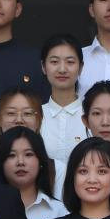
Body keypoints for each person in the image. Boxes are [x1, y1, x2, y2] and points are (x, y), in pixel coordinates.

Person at [0, 126, 64, 219]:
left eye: (28, 154)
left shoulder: (59, 211)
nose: (20, 162)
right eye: (11, 155)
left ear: (41, 162)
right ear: (0, 163)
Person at [39, 34, 87, 163]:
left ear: (80, 67)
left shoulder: (92, 116)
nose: (62, 69)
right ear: (43, 67)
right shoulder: (35, 116)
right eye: (54, 62)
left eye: (70, 62)